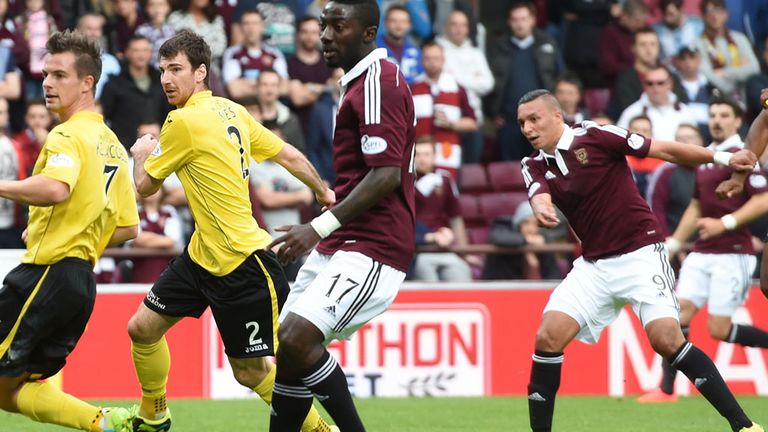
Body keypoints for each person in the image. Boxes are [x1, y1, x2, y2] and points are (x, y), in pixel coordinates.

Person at [518, 88, 763, 432]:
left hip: (640, 254)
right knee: (548, 337)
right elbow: (539, 194)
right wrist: (542, 208)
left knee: (667, 340)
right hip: (594, 267)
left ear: (557, 116)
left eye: (534, 119)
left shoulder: (597, 135)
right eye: (522, 123)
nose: (527, 128)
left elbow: (661, 149)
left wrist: (721, 159)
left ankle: (744, 425)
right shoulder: (531, 164)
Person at [127, 30, 335, 432]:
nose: (166, 79)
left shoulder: (181, 121)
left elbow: (145, 186)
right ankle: (155, 415)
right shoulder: (233, 110)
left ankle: (326, 430)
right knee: (142, 328)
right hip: (202, 255)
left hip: (243, 263)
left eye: (176, 70)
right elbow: (288, 153)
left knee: (253, 372)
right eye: (162, 70)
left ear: (201, 72)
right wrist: (323, 189)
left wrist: (141, 155)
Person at [267, 0, 416, 430]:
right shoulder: (357, 83)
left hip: (374, 245)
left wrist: (317, 227)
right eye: (322, 26)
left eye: (338, 26)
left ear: (368, 33)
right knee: (290, 345)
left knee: (297, 337)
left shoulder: (378, 83)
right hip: (344, 239)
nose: (325, 36)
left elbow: (386, 175)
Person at [0, 29, 138, 432]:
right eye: (45, 74)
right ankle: (103, 422)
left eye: (59, 75)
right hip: (79, 285)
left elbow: (55, 188)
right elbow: (128, 227)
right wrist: (73, 229)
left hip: (45, 275)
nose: (46, 83)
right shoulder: (112, 142)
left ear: (87, 82)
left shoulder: (66, 133)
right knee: (9, 391)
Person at [639, 97, 768, 404]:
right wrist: (672, 243)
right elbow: (696, 205)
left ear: (738, 122)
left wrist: (725, 223)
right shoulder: (710, 156)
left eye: (724, 115)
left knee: (719, 329)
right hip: (702, 251)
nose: (717, 120)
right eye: (712, 114)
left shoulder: (745, 155)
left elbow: (763, 199)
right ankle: (667, 390)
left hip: (733, 252)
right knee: (677, 314)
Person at [412, 135, 475, 282]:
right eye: (418, 154)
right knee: (428, 285)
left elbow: (456, 217)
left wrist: (463, 252)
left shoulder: (445, 179)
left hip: (444, 246)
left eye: (427, 154)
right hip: (418, 250)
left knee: (463, 276)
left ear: (434, 155)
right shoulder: (404, 180)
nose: (422, 159)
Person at [411, 40, 476, 180]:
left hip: (448, 153)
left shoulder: (458, 88)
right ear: (422, 61)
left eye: (436, 58)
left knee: (446, 193)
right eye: (428, 58)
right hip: (420, 156)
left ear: (443, 60)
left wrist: (452, 124)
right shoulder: (412, 88)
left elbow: (473, 122)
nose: (432, 62)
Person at [100, 35, 171, 151]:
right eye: (136, 50)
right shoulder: (114, 83)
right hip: (124, 150)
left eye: (145, 50)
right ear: (127, 53)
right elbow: (103, 115)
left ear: (150, 53)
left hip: (160, 149)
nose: (141, 55)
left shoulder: (162, 81)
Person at [222, 8, 288, 103]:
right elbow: (234, 91)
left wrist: (249, 84)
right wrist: (269, 87)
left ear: (263, 27)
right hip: (245, 107)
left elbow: (284, 88)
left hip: (273, 107)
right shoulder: (232, 54)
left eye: (255, 23)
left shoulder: (275, 54)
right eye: (246, 23)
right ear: (240, 27)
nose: (251, 28)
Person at [617, 65, 695, 141]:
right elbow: (619, 143)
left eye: (660, 83)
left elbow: (696, 142)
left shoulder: (685, 111)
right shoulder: (631, 112)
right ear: (644, 85)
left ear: (670, 84)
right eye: (650, 83)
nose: (655, 87)